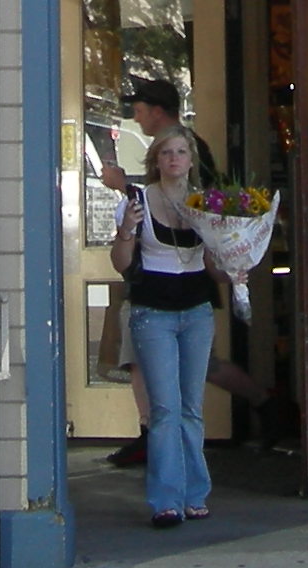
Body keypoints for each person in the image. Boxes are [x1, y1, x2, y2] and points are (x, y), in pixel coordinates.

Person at [97, 78, 276, 466]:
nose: (137, 117)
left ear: (158, 111)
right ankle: (156, 435)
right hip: (157, 278)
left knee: (189, 366)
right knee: (145, 357)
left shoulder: (187, 152)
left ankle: (262, 403)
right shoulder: (172, 158)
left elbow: (192, 206)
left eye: (140, 110)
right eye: (167, 154)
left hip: (186, 279)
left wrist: (121, 184)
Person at [110, 129, 217, 528]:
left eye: (181, 152)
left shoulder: (205, 203)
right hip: (153, 310)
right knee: (165, 409)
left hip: (196, 310)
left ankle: (195, 493)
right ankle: (166, 500)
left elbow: (215, 265)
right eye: (166, 153)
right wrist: (128, 230)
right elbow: (121, 263)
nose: (174, 159)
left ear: (192, 159)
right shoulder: (137, 201)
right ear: (156, 160)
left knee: (191, 406)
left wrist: (235, 258)